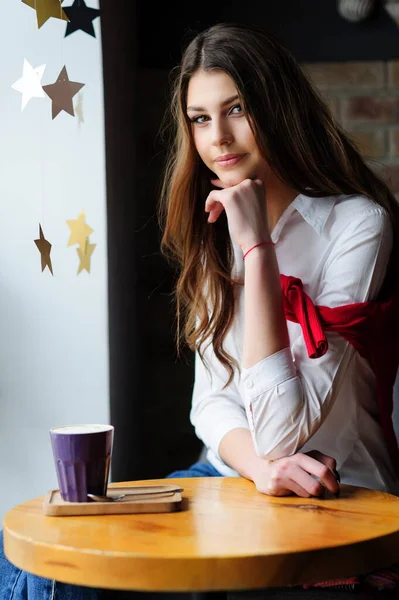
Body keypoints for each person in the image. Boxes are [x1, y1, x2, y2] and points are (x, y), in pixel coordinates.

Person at [1, 20, 399, 600]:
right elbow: (210, 404)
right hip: (230, 476)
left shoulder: (357, 224)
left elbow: (285, 434)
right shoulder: (209, 227)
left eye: (237, 109)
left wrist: (257, 248)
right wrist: (259, 470)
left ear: (276, 106)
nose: (219, 137)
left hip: (337, 494)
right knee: (38, 568)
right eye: (201, 118)